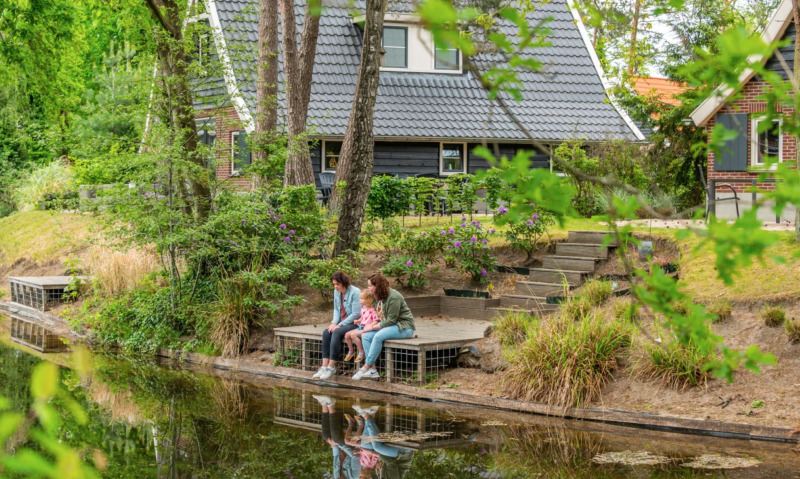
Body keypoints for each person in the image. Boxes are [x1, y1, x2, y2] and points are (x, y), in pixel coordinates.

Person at [352, 273, 415, 381]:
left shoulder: (394, 297)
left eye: (370, 286)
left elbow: (391, 320)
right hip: (388, 326)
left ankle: (366, 366)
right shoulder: (378, 297)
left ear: (378, 286)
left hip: (403, 327)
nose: (369, 288)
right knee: (366, 336)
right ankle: (373, 370)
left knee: (378, 336)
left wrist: (372, 327)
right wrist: (369, 325)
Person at [313, 271, 361, 380]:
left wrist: (339, 325)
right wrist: (334, 322)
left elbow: (356, 314)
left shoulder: (355, 292)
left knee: (336, 332)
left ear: (344, 282)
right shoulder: (336, 292)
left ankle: (331, 367)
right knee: (326, 332)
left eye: (337, 284)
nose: (335, 286)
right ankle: (324, 367)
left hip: (354, 323)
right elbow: (336, 309)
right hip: (341, 322)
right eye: (334, 284)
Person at [344, 290, 379, 363]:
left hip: (367, 329)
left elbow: (376, 320)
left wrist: (370, 325)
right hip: (361, 327)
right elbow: (363, 318)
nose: (360, 300)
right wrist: (358, 320)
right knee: (347, 335)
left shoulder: (373, 310)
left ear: (368, 299)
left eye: (362, 298)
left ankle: (361, 351)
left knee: (353, 335)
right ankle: (351, 350)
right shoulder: (363, 308)